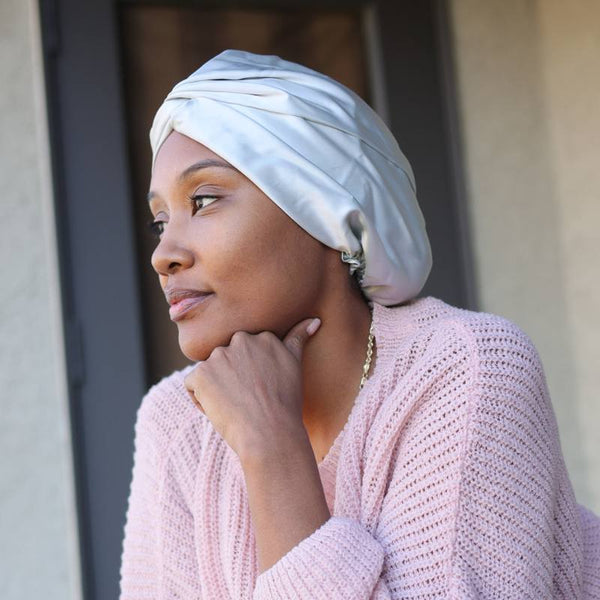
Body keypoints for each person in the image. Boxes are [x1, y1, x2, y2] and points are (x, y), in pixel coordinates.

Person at [118, 49, 600, 599]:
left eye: (203, 200)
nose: (164, 255)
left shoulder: (467, 370)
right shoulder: (178, 423)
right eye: (161, 221)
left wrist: (272, 449)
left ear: (325, 211)